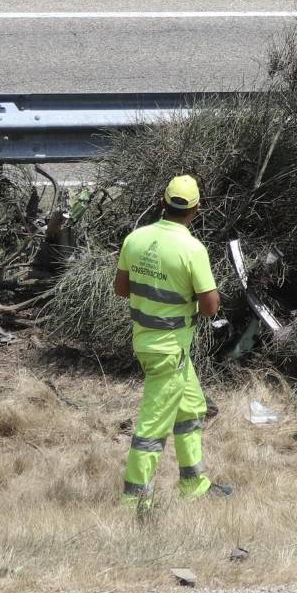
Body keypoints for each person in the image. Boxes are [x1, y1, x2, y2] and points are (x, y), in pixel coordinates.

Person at [114, 175, 232, 506]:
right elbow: (210, 308)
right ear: (196, 210)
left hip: (148, 341)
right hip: (169, 349)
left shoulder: (135, 239)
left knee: (192, 406)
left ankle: (194, 484)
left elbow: (121, 289)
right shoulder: (193, 249)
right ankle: (134, 501)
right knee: (153, 426)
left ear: (162, 203)